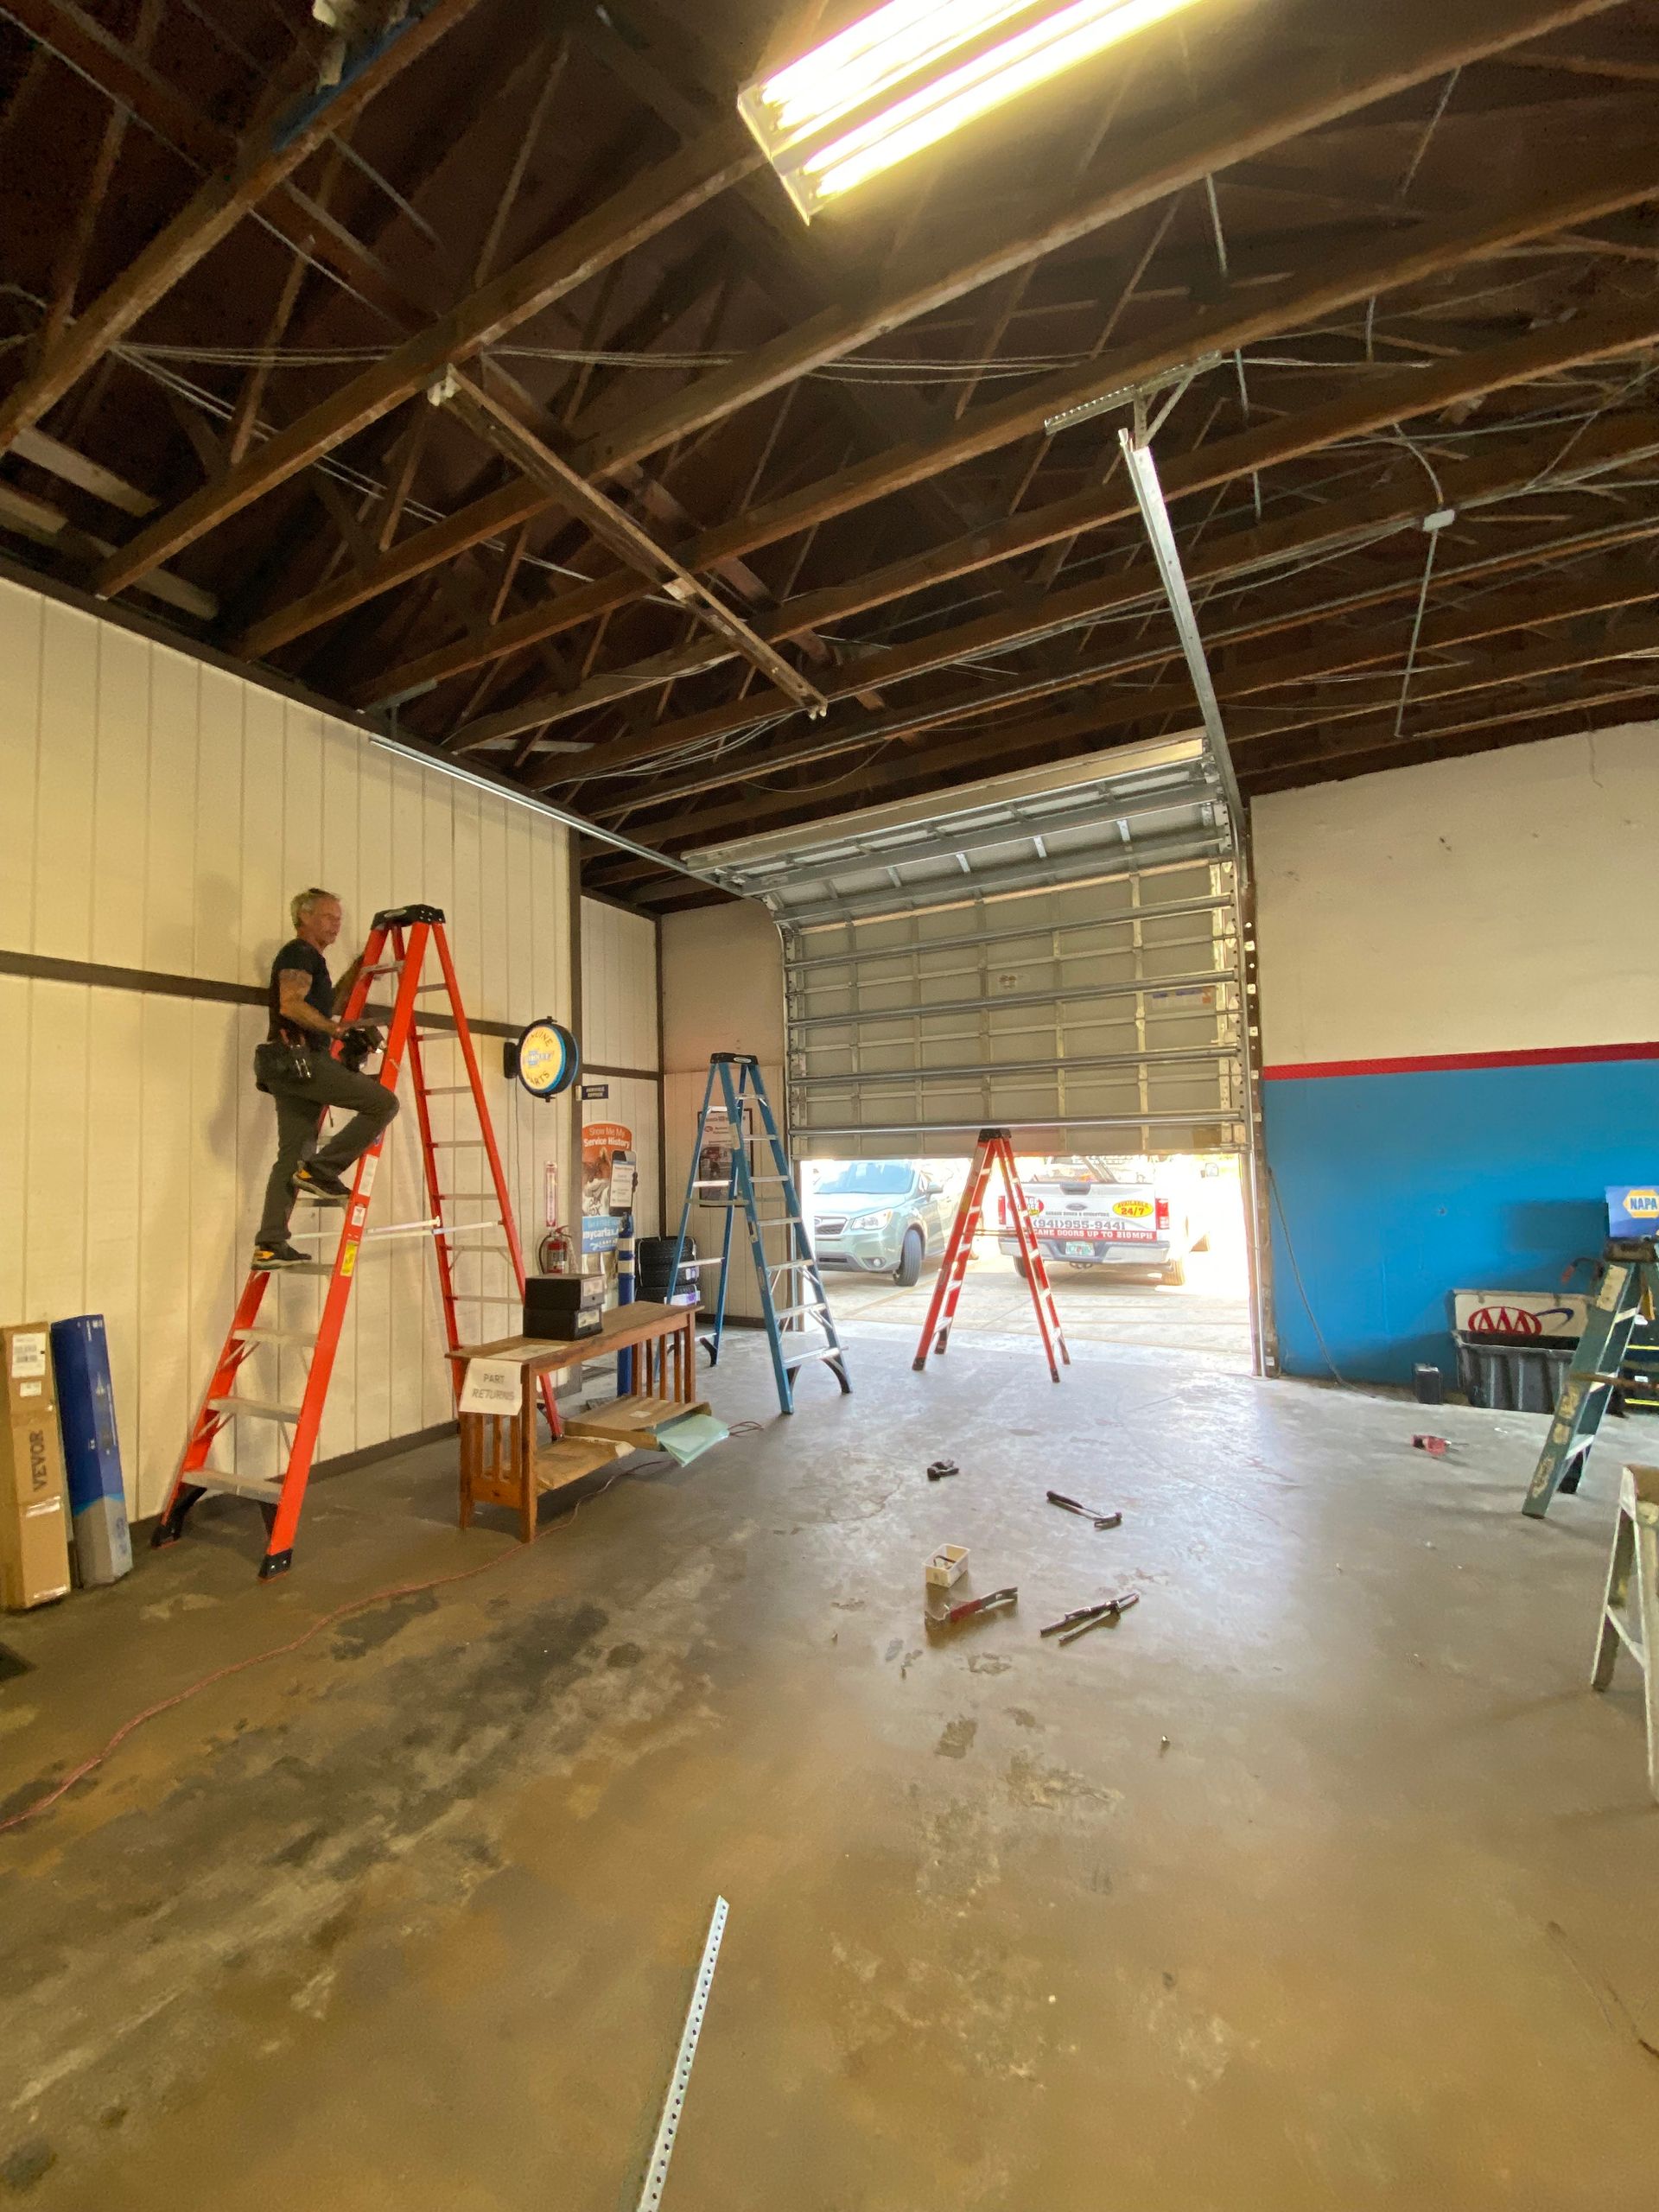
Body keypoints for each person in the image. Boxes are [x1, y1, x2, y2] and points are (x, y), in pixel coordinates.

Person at [251, 888, 399, 1271]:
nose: (337, 923)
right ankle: (323, 1170)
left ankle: (270, 1244)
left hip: (287, 1066)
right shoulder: (298, 953)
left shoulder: (313, 960)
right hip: (300, 1058)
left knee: (292, 1154)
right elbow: (291, 1004)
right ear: (305, 917)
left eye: (339, 918)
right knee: (383, 1103)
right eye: (329, 917)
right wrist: (338, 1034)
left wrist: (357, 970)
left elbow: (326, 1006)